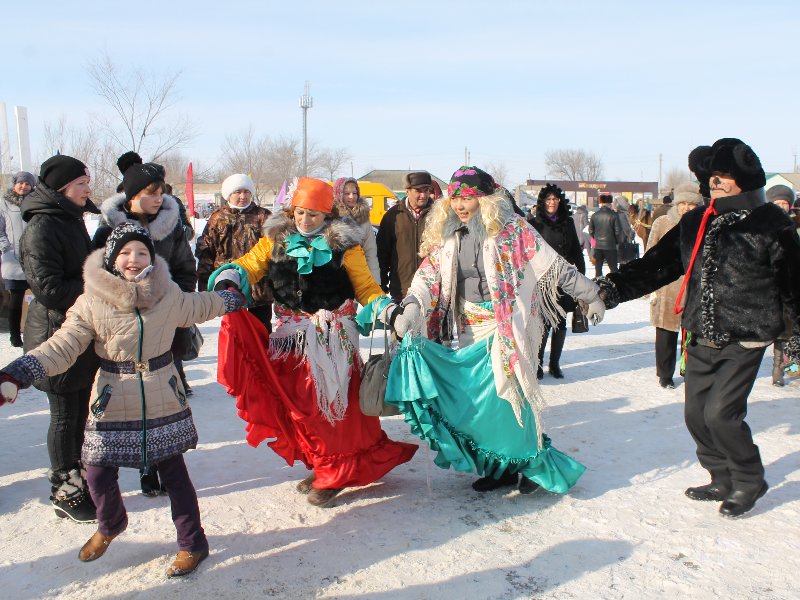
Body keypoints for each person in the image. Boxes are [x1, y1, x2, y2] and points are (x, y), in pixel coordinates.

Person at [0, 223, 245, 576]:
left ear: (151, 257)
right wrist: (21, 371)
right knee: (97, 474)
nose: (134, 259)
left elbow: (200, 305)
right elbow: (63, 344)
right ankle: (111, 523)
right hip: (112, 395)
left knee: (174, 476)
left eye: (142, 252)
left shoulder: (168, 294)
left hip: (163, 394)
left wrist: (228, 295)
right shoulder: (91, 301)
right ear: (113, 258)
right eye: (126, 252)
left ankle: (193, 543)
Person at [596, 138, 800, 518]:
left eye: (723, 177)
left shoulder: (772, 223)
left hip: (747, 335)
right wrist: (613, 289)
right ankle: (721, 476)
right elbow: (657, 264)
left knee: (721, 414)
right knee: (695, 414)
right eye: (712, 177)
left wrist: (795, 336)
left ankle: (749, 478)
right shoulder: (696, 221)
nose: (715, 184)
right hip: (699, 332)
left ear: (744, 178)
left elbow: (793, 282)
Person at [387, 166, 605, 495]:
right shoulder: (447, 235)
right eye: (456, 197)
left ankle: (533, 464)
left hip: (508, 327)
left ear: (486, 200)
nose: (460, 204)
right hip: (468, 328)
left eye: (469, 198)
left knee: (513, 398)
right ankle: (499, 468)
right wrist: (414, 305)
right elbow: (427, 276)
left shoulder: (513, 230)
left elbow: (554, 265)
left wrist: (590, 294)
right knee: (482, 404)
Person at [209, 177, 417, 507]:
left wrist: (389, 310)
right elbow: (250, 264)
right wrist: (231, 277)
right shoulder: (275, 240)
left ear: (327, 215)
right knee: (299, 410)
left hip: (332, 341)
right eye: (300, 213)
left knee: (332, 411)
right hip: (290, 341)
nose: (305, 221)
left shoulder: (346, 246)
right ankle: (323, 464)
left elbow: (366, 288)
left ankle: (338, 471)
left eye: (314, 215)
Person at [94, 162, 197, 497]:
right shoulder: (108, 228)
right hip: (123, 329)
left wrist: (171, 301)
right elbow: (99, 274)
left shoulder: (172, 224)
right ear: (133, 195)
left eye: (161, 191)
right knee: (135, 400)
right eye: (151, 192)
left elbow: (185, 267)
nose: (159, 197)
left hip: (164, 326)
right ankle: (145, 466)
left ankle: (167, 464)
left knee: (167, 400)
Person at [18, 155, 101, 522]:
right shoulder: (42, 227)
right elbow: (49, 289)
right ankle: (64, 490)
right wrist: (97, 287)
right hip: (55, 335)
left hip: (77, 331)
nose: (88, 189)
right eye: (82, 184)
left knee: (79, 413)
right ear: (63, 188)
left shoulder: (69, 218)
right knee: (65, 416)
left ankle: (78, 477)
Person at [196, 174, 273, 332]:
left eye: (246, 191)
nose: (243, 196)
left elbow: (275, 250)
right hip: (229, 286)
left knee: (262, 332)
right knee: (233, 332)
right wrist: (204, 286)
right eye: (237, 192)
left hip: (259, 289)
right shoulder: (217, 219)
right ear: (228, 195)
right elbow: (206, 252)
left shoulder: (264, 216)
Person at [645, 182, 703, 389]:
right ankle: (665, 374)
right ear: (677, 204)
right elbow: (650, 253)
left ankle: (689, 370)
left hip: (694, 287)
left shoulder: (703, 224)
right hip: (667, 287)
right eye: (683, 204)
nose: (687, 208)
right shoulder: (663, 222)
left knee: (693, 335)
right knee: (666, 334)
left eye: (692, 205)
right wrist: (650, 285)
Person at [527, 184, 586, 379]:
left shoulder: (568, 223)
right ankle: (537, 363)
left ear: (560, 201)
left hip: (564, 279)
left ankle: (555, 363)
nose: (552, 203)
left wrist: (581, 277)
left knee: (560, 324)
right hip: (542, 280)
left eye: (555, 199)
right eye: (548, 199)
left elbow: (576, 250)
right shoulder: (535, 224)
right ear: (543, 202)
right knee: (542, 324)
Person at [376, 171, 434, 301]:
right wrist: (381, 286)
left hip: (432, 290)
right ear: (407, 190)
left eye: (426, 190)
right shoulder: (393, 216)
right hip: (402, 290)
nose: (423, 195)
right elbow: (382, 254)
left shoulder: (439, 215)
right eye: (418, 191)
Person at [766, 184, 797, 386]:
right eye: (777, 203)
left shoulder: (795, 226)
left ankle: (781, 368)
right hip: (769, 285)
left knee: (788, 328)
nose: (781, 206)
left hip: (791, 284)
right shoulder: (763, 226)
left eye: (784, 203)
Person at [0, 171, 35, 347]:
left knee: (39, 299)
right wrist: (5, 246)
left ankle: (35, 332)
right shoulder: (4, 204)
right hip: (13, 258)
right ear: (14, 184)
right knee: (16, 298)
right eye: (20, 183)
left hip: (35, 258)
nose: (24, 186)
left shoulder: (36, 203)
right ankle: (15, 335)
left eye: (27, 184)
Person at [332, 177, 379, 281]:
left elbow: (370, 251)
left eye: (354, 193)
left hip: (360, 275)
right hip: (336, 277)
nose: (351, 197)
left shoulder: (364, 218)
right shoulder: (331, 217)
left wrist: (375, 280)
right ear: (338, 194)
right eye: (346, 193)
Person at [589, 193, 623, 277]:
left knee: (598, 269)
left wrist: (595, 239)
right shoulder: (614, 215)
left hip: (598, 246)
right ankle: (615, 286)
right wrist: (617, 242)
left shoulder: (594, 215)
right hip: (610, 246)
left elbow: (590, 231)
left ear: (601, 203)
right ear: (610, 204)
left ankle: (598, 285)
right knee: (613, 269)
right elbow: (618, 232)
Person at [613, 196, 636, 265]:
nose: (628, 204)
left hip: (619, 242)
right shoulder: (623, 214)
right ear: (622, 203)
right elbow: (627, 230)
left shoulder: (617, 213)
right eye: (626, 202)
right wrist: (633, 233)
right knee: (624, 263)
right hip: (623, 243)